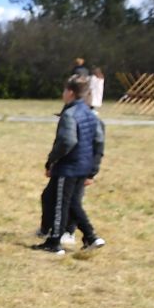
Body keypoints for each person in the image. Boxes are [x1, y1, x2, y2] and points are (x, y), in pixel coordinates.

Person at [34, 74, 106, 256]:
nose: (63, 93)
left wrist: (52, 160)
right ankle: (91, 237)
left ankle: (54, 241)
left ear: (71, 93)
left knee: (61, 203)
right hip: (84, 165)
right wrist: (93, 169)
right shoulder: (91, 114)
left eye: (65, 90)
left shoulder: (69, 114)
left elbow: (67, 141)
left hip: (70, 166)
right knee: (73, 202)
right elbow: (99, 141)